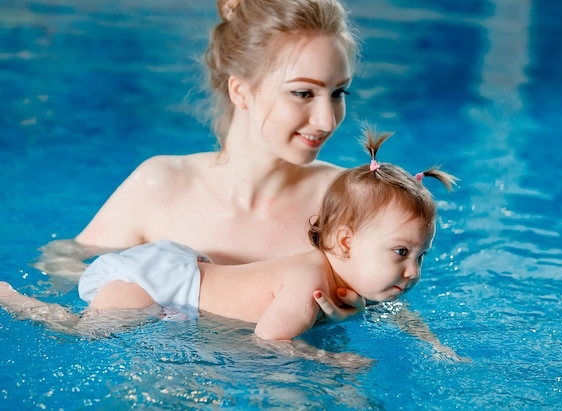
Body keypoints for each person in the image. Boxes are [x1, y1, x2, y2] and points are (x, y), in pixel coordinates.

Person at [34, 0, 364, 320]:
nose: (327, 120)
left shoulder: (347, 203)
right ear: (240, 90)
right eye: (303, 93)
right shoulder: (161, 185)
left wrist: (362, 313)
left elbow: (397, 309)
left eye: (338, 93)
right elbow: (60, 267)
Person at [1, 129, 457, 343]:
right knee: (87, 333)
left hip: (185, 275)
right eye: (401, 252)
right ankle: (17, 301)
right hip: (152, 284)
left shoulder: (344, 275)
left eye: (421, 255)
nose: (413, 271)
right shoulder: (307, 281)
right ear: (344, 243)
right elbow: (268, 343)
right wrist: (328, 360)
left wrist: (433, 343)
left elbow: (392, 311)